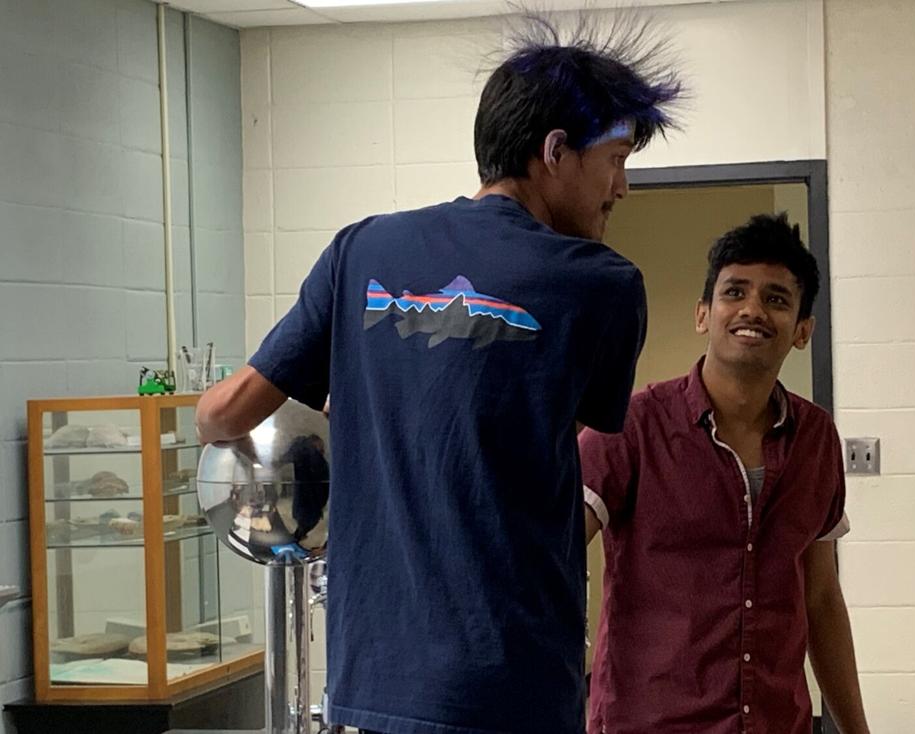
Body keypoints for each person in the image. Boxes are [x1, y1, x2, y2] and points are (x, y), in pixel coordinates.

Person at [196, 14, 684, 734]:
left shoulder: (362, 248)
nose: (623, 186)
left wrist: (367, 397)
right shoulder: (603, 286)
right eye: (615, 158)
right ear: (555, 153)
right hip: (513, 677)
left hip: (375, 674)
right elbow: (543, 428)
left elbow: (220, 418)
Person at [579, 213, 870, 734]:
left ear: (803, 330)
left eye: (777, 299)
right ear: (703, 313)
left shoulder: (816, 439)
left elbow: (822, 597)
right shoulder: (632, 425)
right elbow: (541, 552)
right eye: (735, 292)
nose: (753, 310)